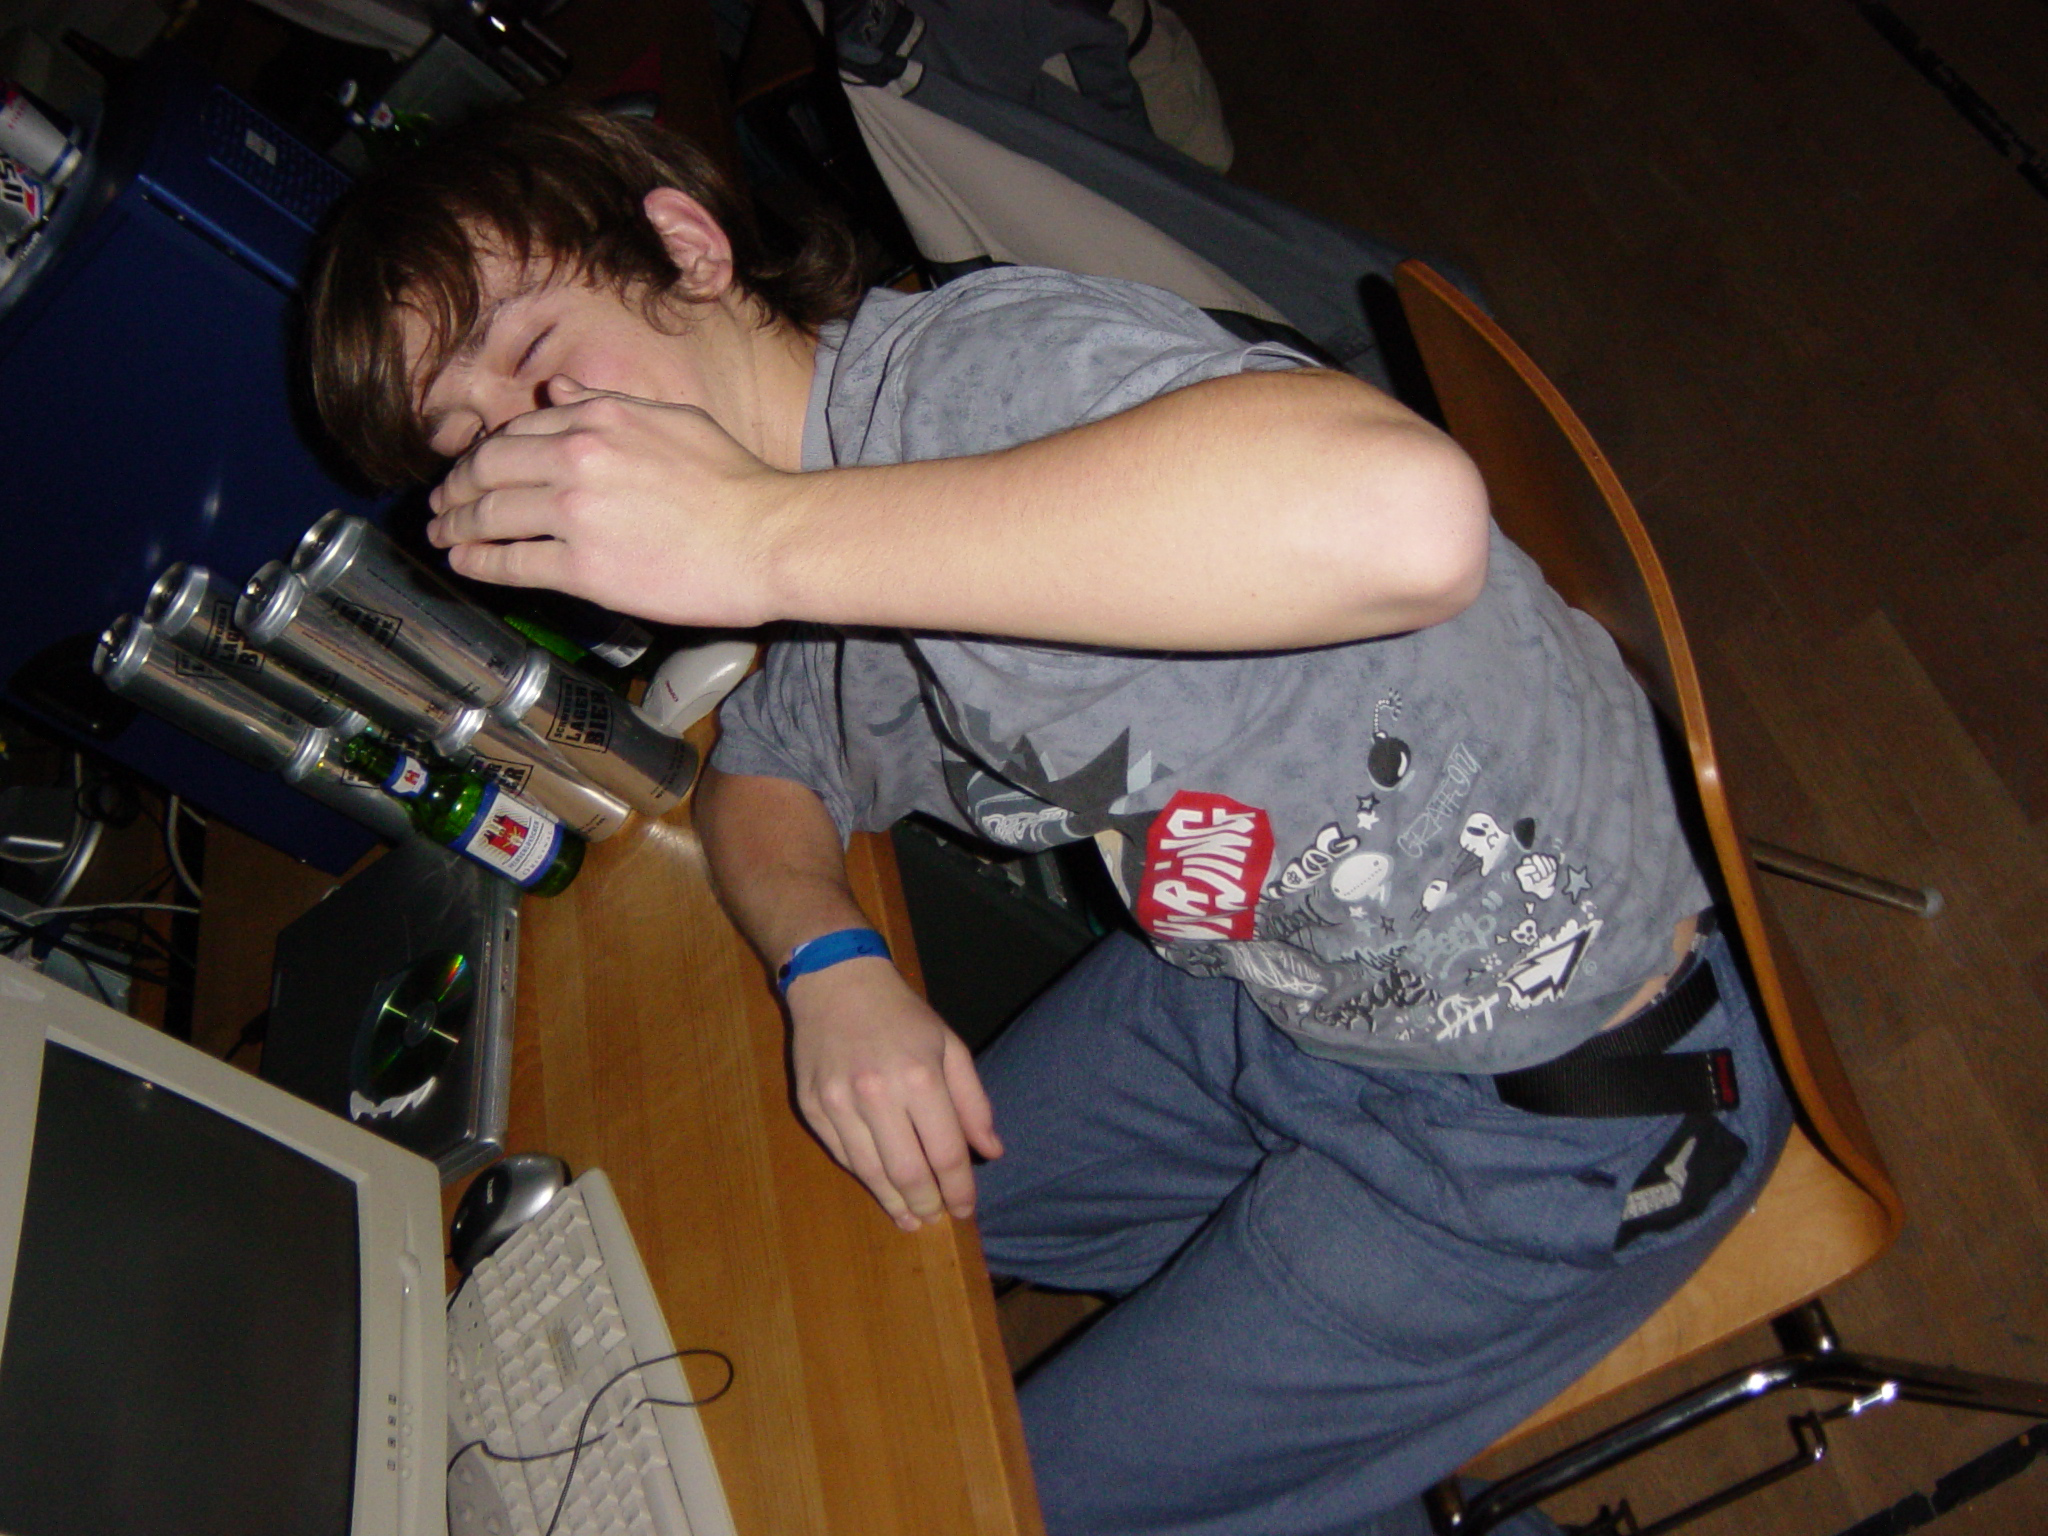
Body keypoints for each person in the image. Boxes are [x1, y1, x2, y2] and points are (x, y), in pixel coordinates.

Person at [306, 101, 1791, 1536]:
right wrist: (830, 963)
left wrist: (758, 540)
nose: (537, 450)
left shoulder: (973, 385)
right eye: (472, 437)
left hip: (1563, 1094)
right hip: (1271, 1000)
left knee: (1023, 1502)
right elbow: (766, 773)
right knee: (859, 1233)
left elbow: (1404, 513)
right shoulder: (826, 515)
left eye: (536, 360)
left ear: (690, 250)